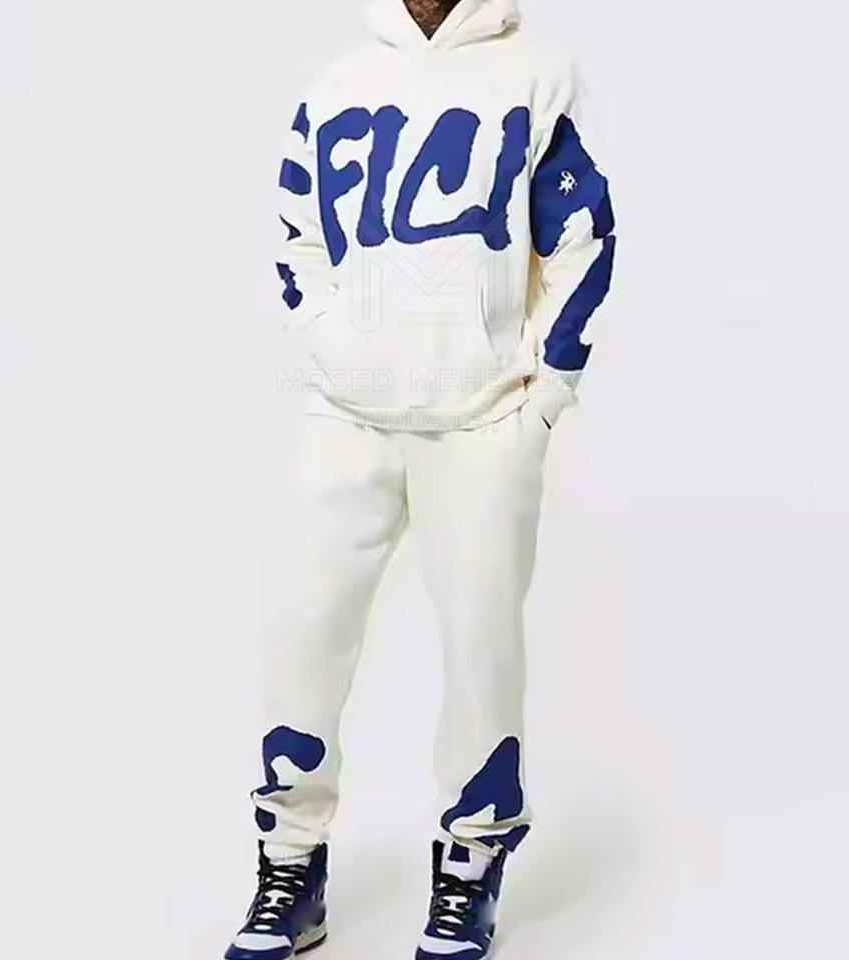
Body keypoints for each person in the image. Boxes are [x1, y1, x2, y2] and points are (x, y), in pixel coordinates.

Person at [225, 0, 615, 957]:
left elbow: (585, 235)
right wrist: (337, 352)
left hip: (482, 423)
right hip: (347, 418)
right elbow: (296, 237)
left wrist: (546, 396)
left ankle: (470, 868)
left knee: (482, 644)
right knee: (303, 634)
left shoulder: (535, 76)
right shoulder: (337, 86)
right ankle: (291, 867)